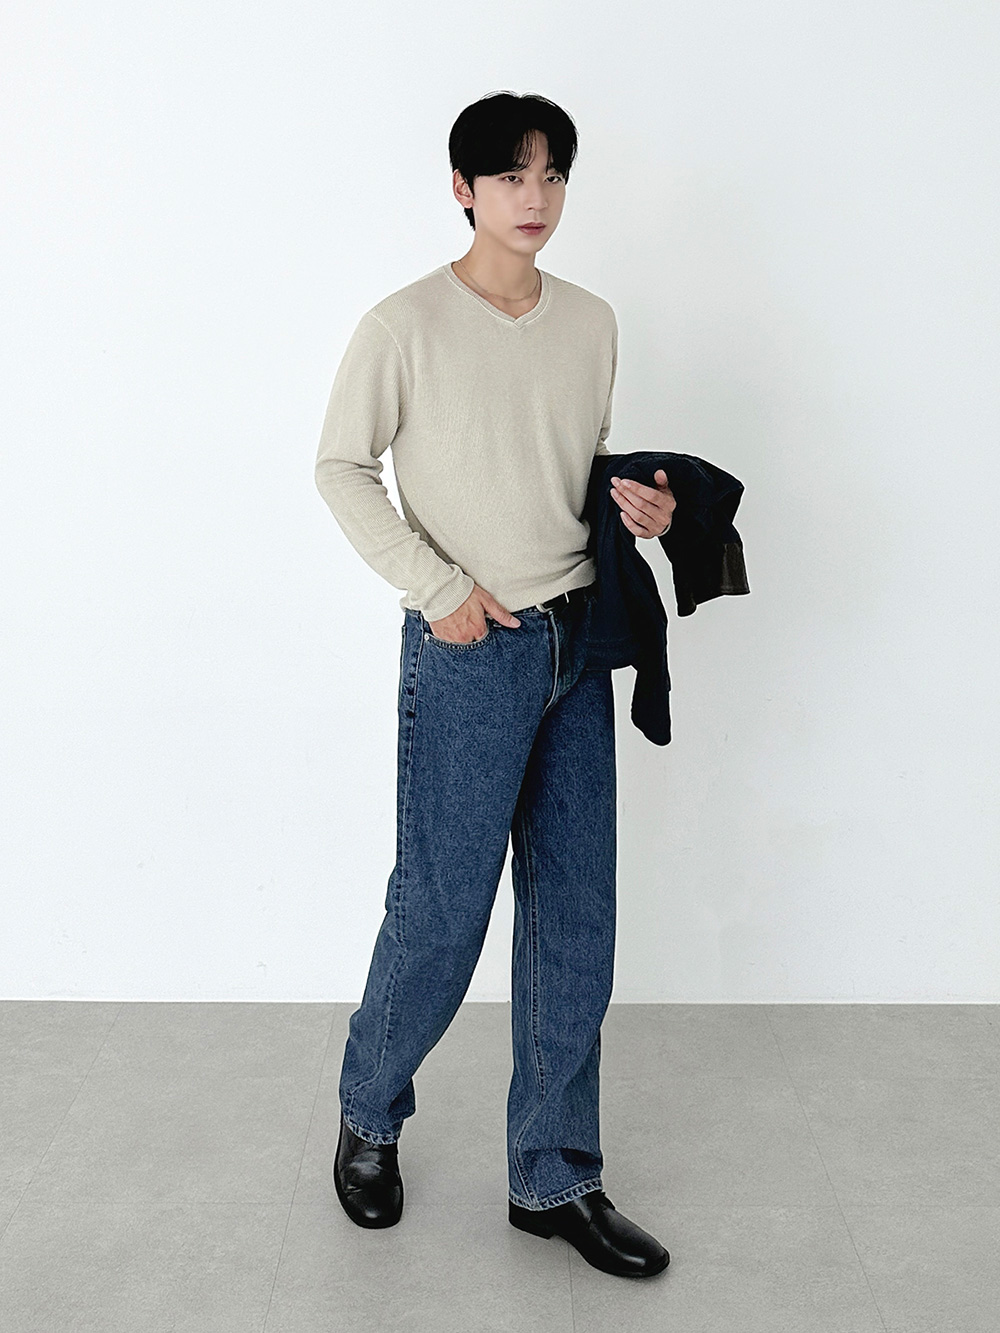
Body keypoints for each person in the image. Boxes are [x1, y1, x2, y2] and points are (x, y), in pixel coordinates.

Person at [314, 90, 674, 1279]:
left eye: (551, 174)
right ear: (462, 188)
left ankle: (552, 1175)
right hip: (469, 647)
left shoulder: (591, 322)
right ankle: (369, 1116)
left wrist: (638, 504)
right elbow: (339, 466)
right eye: (511, 175)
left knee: (575, 915)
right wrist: (439, 590)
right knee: (440, 907)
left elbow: (567, 468)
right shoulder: (403, 324)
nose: (535, 197)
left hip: (576, 641)